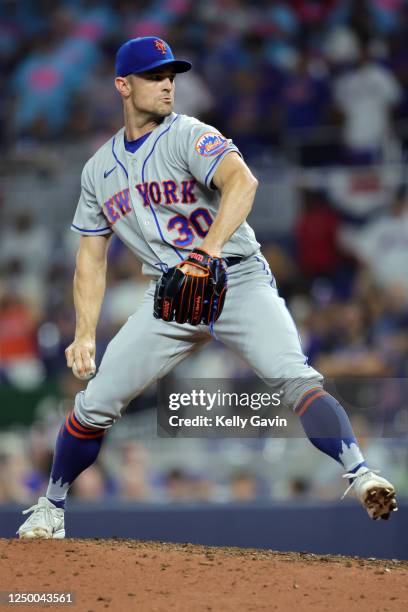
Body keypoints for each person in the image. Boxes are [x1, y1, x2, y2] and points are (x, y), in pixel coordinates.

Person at [18, 37, 397, 539]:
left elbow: (244, 184)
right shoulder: (98, 171)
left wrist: (208, 251)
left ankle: (362, 473)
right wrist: (85, 332)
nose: (168, 84)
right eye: (155, 76)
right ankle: (51, 507)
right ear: (123, 86)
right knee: (94, 404)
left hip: (236, 278)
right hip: (170, 298)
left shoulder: (189, 134)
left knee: (296, 378)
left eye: (171, 74)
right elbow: (90, 257)